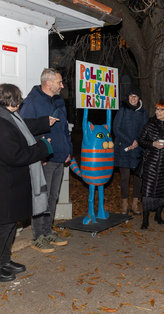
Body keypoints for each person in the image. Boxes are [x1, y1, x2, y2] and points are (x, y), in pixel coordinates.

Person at [0, 83, 54, 281]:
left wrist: (44, 123)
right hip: (5, 185)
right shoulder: (2, 122)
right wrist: (42, 147)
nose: (21, 100)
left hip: (13, 184)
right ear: (10, 99)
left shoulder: (10, 117)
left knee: (10, 225)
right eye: (18, 97)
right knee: (4, 227)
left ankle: (5, 260)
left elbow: (26, 129)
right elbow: (15, 155)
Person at [20, 68, 72, 253]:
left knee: (52, 197)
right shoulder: (32, 101)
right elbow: (23, 129)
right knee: (41, 197)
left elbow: (65, 127)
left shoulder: (58, 100)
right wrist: (38, 154)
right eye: (59, 82)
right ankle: (38, 236)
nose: (62, 85)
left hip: (60, 156)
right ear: (48, 83)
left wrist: (69, 150)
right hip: (44, 159)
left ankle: (48, 231)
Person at [138, 101, 164, 229]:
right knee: (148, 191)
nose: (157, 112)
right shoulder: (150, 124)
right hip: (152, 161)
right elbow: (141, 139)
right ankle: (145, 220)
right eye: (156, 109)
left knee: (163, 190)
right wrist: (152, 144)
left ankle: (158, 214)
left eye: (160, 110)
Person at [113, 87, 148, 214]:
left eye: (136, 96)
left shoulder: (143, 112)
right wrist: (130, 141)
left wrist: (138, 141)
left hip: (138, 148)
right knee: (125, 177)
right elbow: (116, 129)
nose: (133, 98)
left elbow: (145, 130)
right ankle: (124, 204)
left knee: (139, 176)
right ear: (128, 98)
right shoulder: (122, 110)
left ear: (139, 99)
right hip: (124, 148)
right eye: (131, 96)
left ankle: (135, 204)